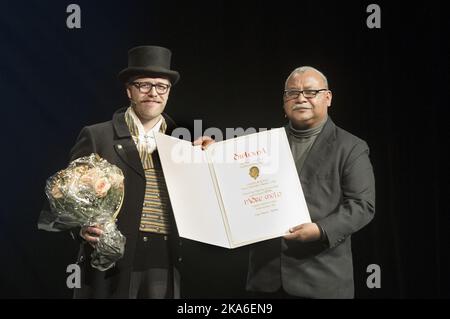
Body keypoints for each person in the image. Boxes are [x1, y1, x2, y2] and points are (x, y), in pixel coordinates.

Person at [60, 45, 188, 298]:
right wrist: (82, 227)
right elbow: (70, 199)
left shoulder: (182, 143)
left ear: (168, 92)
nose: (153, 93)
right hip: (110, 261)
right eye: (144, 85)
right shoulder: (97, 136)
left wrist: (210, 158)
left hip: (163, 259)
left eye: (161, 86)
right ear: (129, 90)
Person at [246, 66, 376, 298]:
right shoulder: (262, 144)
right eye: (292, 93)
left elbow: (362, 205)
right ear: (284, 101)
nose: (301, 98)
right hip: (265, 280)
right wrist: (211, 152)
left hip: (321, 280)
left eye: (310, 92)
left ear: (328, 97)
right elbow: (235, 184)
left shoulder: (351, 147)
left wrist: (320, 230)